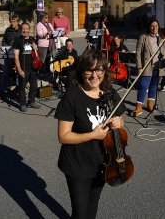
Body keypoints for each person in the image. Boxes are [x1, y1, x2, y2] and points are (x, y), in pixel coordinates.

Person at [54, 49, 126, 219]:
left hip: (103, 163)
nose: (95, 75)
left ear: (104, 71)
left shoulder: (110, 94)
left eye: (99, 69)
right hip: (77, 164)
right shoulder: (71, 97)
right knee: (80, 213)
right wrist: (92, 135)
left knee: (93, 207)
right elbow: (63, 136)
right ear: (82, 72)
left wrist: (120, 123)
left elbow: (120, 123)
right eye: (89, 70)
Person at [130, 19, 165, 117]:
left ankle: (150, 104)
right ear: (149, 27)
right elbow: (138, 53)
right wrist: (139, 67)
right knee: (143, 85)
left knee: (154, 86)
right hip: (146, 66)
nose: (154, 28)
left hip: (158, 66)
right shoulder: (143, 37)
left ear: (158, 27)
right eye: (152, 26)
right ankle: (139, 107)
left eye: (156, 26)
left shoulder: (161, 38)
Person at [13, 23, 42, 112]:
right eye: (23, 29)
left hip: (33, 68)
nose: (25, 30)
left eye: (26, 29)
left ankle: (31, 101)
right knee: (22, 87)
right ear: (21, 29)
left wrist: (36, 48)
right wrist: (19, 69)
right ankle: (23, 104)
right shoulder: (18, 41)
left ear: (29, 30)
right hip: (23, 68)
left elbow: (37, 56)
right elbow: (16, 57)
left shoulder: (33, 39)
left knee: (34, 86)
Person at [0, 14, 21, 102]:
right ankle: (1, 94)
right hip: (9, 55)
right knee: (5, 75)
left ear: (18, 22)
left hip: (19, 56)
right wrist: (5, 47)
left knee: (19, 75)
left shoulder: (21, 30)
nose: (12, 23)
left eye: (14, 21)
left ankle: (18, 93)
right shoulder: (8, 30)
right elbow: (3, 41)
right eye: (11, 21)